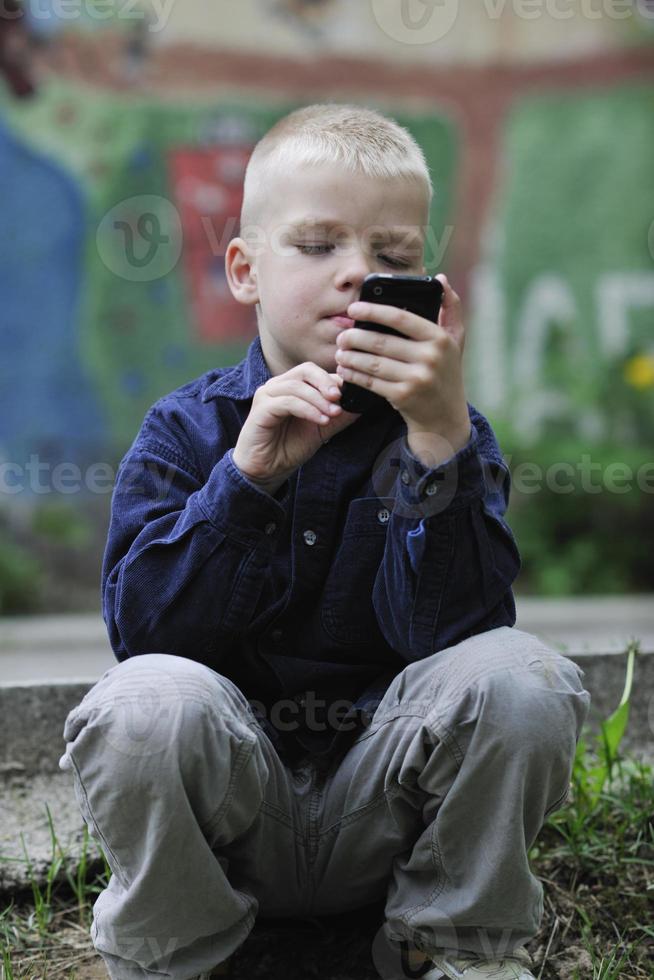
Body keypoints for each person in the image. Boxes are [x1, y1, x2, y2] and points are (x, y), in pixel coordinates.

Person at [60, 103, 590, 980]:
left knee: (521, 675)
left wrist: (435, 445)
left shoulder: (451, 432)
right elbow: (148, 645)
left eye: (392, 257)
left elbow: (460, 645)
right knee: (144, 702)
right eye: (317, 246)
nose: (356, 276)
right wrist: (245, 483)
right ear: (244, 270)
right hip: (241, 816)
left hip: (386, 812)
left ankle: (448, 948)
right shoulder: (184, 431)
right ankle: (183, 957)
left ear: (430, 286)